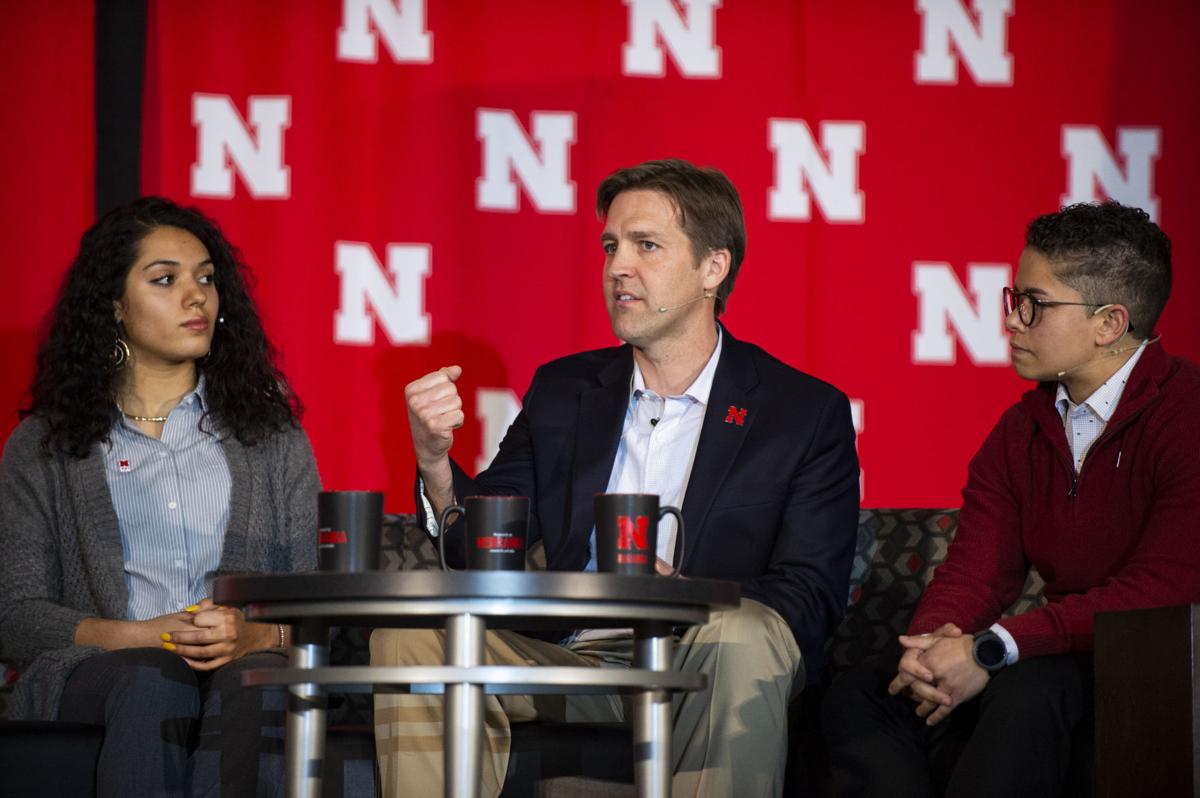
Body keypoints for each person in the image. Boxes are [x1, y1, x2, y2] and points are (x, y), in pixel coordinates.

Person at [372, 158, 860, 797]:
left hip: (708, 654)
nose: (617, 267)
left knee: (740, 631)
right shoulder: (565, 390)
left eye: (646, 246)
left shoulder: (800, 412)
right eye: (610, 247)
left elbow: (808, 597)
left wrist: (681, 596)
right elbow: (482, 549)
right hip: (577, 658)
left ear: (713, 268)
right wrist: (436, 464)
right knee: (410, 639)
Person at [822, 201, 1200, 797]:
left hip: (1152, 663)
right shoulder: (1020, 429)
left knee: (1031, 687)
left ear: (1109, 323)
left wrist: (997, 646)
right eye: (1013, 299)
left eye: (1035, 304)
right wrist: (932, 652)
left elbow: (1160, 592)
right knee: (861, 694)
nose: (1012, 321)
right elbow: (976, 572)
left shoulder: (1186, 414)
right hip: (1048, 653)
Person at [0, 197, 321, 797]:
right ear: (116, 307)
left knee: (255, 679)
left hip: (243, 664)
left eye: (205, 278)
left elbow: (312, 607)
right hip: (109, 671)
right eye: (165, 280)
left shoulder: (272, 437)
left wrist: (255, 636)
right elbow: (15, 615)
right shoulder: (45, 446)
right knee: (156, 677)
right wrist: (145, 635)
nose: (196, 296)